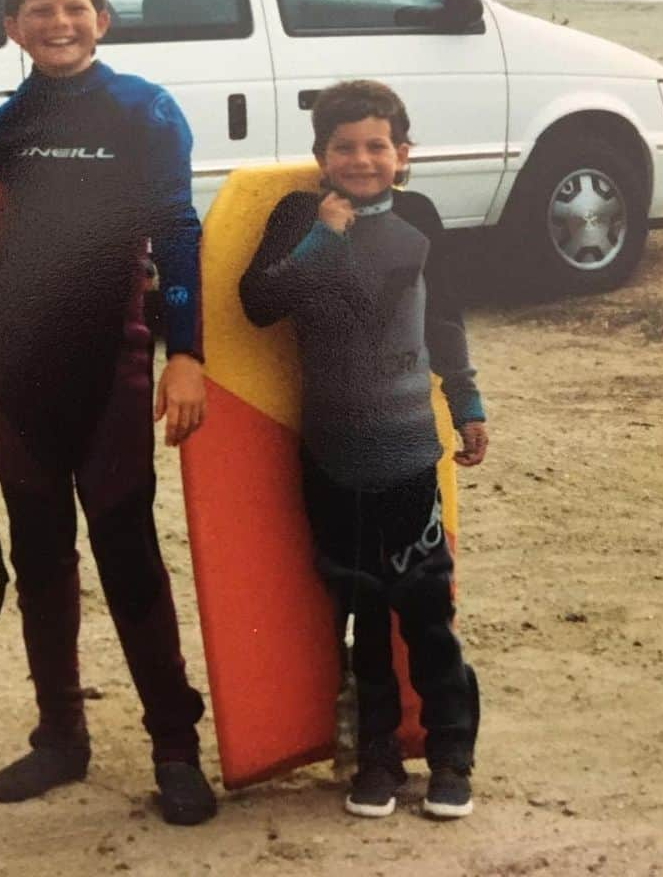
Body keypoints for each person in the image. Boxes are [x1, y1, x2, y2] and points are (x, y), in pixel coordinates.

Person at [0, 0, 216, 826]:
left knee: (125, 546)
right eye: (38, 11)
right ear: (12, 28)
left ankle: (175, 747)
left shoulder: (144, 111)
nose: (58, 23)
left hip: (110, 361)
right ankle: (60, 737)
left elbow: (178, 231)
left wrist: (187, 352)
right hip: (20, 371)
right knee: (39, 553)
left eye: (74, 7)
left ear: (103, 19)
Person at [238, 79, 487, 820]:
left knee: (425, 609)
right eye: (343, 146)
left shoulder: (420, 217)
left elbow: (444, 319)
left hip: (410, 451)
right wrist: (323, 237)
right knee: (361, 610)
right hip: (332, 452)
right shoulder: (297, 216)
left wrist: (466, 402)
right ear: (320, 156)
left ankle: (450, 755)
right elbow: (258, 304)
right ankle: (374, 758)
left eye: (377, 145)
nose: (361, 158)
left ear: (403, 155)